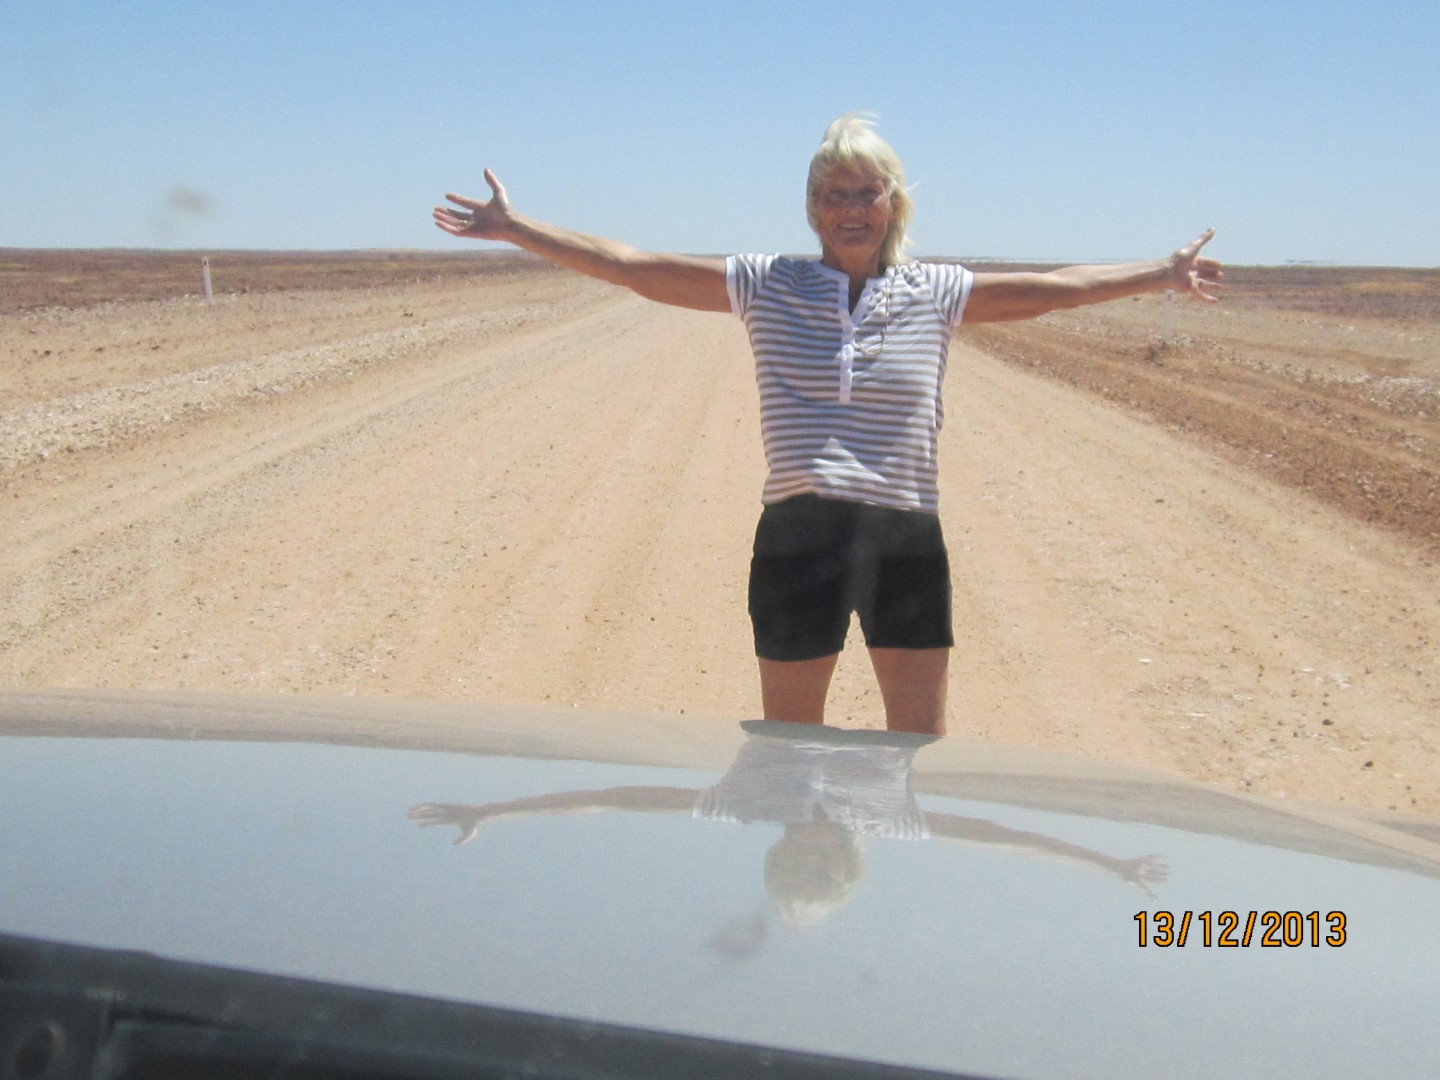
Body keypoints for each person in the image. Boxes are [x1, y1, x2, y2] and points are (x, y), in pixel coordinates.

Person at [434, 113, 1222, 737]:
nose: (850, 208)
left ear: (892, 205)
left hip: (906, 537)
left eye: (866, 192)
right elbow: (634, 267)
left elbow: (1060, 286)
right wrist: (520, 229)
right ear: (813, 208)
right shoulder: (766, 284)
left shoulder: (937, 292)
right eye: (834, 194)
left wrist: (1161, 272)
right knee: (789, 752)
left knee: (915, 753)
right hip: (798, 538)